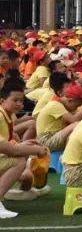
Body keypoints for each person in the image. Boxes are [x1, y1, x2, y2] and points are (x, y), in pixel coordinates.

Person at [0, 85, 48, 218]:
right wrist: (36, 150)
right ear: (2, 100)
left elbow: (8, 145)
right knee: (19, 161)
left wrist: (23, 145)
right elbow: (13, 151)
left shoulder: (6, 115)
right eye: (15, 100)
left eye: (21, 100)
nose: (19, 104)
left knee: (25, 172)